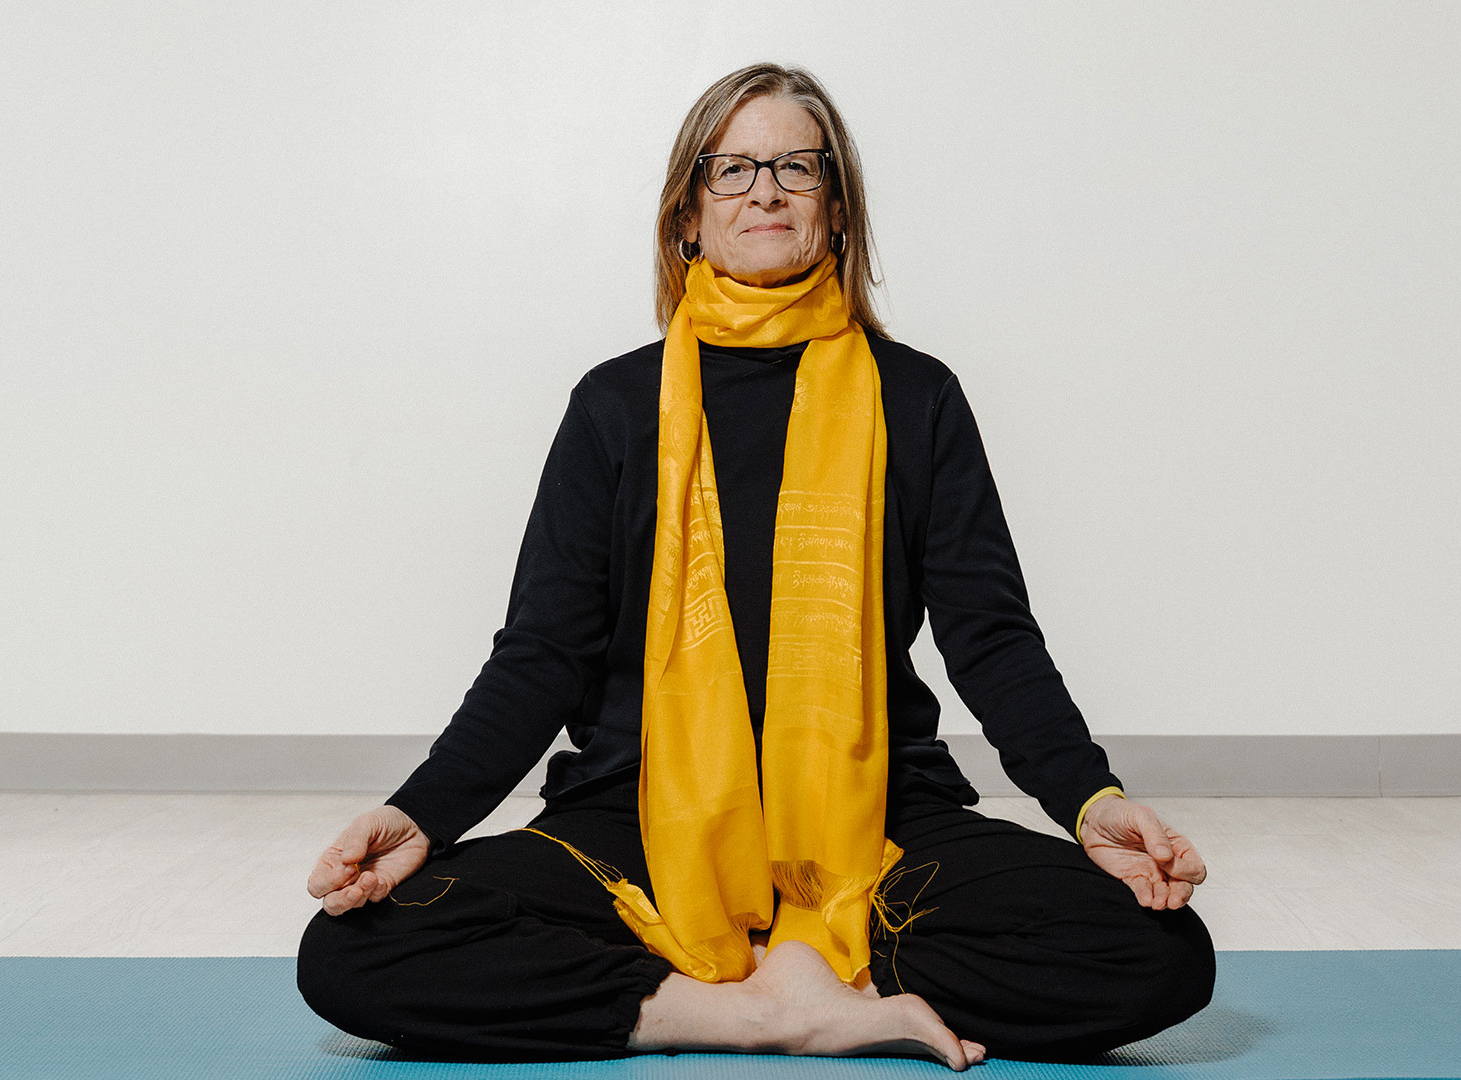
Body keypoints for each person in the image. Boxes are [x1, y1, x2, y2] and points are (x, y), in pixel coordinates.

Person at [298, 62, 1213, 1070]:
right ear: (689, 214)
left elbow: (991, 641)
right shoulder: (615, 407)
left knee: (1159, 952)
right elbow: (541, 655)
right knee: (357, 949)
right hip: (639, 821)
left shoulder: (917, 399)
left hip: (878, 821)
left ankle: (804, 965)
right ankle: (751, 1008)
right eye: (731, 169)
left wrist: (1093, 801)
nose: (765, 190)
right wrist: (421, 811)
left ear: (838, 209)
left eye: (795, 166)